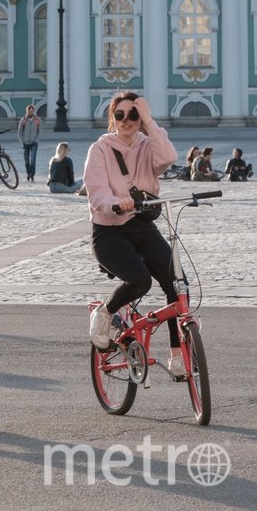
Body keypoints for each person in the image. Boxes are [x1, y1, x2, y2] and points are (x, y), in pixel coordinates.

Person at [83, 91, 184, 377]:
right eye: (120, 115)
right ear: (112, 118)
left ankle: (178, 355)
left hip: (142, 226)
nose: (126, 120)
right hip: (109, 231)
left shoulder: (147, 144)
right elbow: (97, 191)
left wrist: (150, 122)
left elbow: (168, 158)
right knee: (140, 280)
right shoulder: (100, 149)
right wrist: (114, 203)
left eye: (133, 115)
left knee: (176, 283)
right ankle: (104, 313)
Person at [18, 104, 41, 182]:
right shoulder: (23, 120)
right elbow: (20, 131)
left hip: (34, 143)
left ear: (33, 111)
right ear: (27, 111)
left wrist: (36, 140)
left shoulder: (37, 120)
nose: (30, 112)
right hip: (25, 143)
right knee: (26, 161)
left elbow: (40, 131)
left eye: (31, 111)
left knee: (33, 160)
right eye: (29, 111)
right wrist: (22, 141)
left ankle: (32, 175)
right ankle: (28, 173)